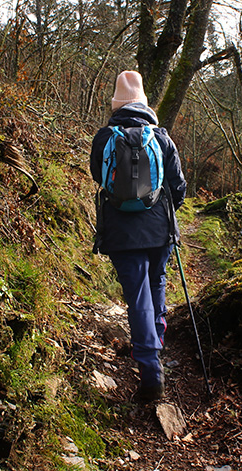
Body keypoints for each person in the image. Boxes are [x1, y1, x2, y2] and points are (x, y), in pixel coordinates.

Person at [90, 70, 187, 401]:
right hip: (159, 227)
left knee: (137, 296)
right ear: (145, 103)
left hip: (121, 230)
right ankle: (155, 348)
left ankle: (150, 370)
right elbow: (178, 186)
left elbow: (97, 175)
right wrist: (168, 207)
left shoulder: (106, 136)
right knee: (157, 283)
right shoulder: (160, 137)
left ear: (117, 105)